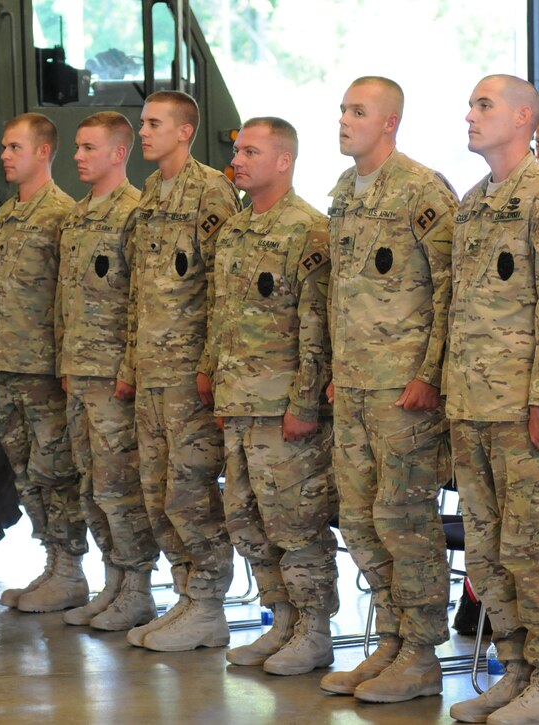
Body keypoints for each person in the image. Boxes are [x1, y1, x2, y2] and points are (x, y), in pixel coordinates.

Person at [448, 75, 539, 725]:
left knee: (537, 551)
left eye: (485, 105)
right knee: (488, 552)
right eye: (472, 104)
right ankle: (519, 668)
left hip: (526, 411)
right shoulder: (475, 202)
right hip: (472, 405)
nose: (471, 115)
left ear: (524, 117)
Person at [316, 76, 455, 703]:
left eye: (359, 111)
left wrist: (430, 373)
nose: (345, 119)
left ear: (390, 122)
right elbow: (338, 293)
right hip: (353, 384)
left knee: (405, 519)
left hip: (403, 389)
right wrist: (330, 371)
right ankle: (392, 641)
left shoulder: (422, 190)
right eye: (344, 109)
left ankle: (424, 654)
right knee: (361, 518)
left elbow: (450, 286)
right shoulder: (345, 190)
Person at [206, 117, 337, 675]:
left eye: (250, 151)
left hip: (282, 409)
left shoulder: (307, 230)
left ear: (283, 161)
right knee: (245, 519)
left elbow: (317, 330)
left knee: (297, 522)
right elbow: (221, 315)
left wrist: (305, 405)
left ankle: (315, 630)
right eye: (237, 150)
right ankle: (280, 619)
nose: (237, 160)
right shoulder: (234, 230)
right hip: (238, 404)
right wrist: (215, 380)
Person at [118, 90, 241, 652]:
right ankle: (187, 594)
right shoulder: (150, 191)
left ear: (185, 131)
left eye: (154, 124)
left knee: (190, 491)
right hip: (151, 370)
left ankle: (210, 602)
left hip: (189, 371)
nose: (143, 133)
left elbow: (223, 287)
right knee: (157, 492)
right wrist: (129, 364)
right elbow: (139, 288)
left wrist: (211, 365)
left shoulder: (210, 190)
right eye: (141, 124)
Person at [55, 112, 161, 631]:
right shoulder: (75, 217)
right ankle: (113, 581)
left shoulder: (134, 214)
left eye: (89, 148)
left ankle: (138, 587)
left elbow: (141, 301)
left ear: (118, 154)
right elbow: (66, 300)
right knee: (92, 487)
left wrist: (127, 369)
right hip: (80, 370)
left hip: (114, 376)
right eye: (77, 147)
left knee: (120, 487)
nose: (78, 156)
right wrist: (64, 363)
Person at [0, 113, 87, 613]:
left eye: (14, 147)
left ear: (43, 152)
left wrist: (66, 363)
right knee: (25, 470)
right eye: (4, 147)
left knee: (55, 469)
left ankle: (71, 569)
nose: (5, 155)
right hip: (10, 363)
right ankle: (52, 561)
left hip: (47, 368)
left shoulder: (62, 217)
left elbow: (70, 298)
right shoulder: (6, 215)